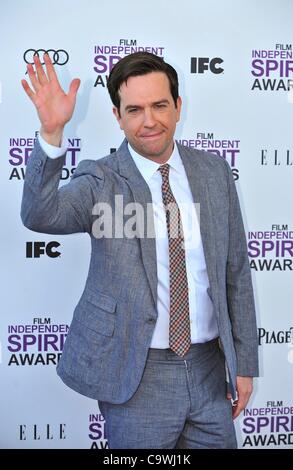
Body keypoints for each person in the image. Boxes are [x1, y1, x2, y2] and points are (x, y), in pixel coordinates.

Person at [21, 51, 259, 449]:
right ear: (118, 116)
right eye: (134, 109)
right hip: (136, 377)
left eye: (159, 105)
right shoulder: (101, 180)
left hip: (209, 371)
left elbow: (236, 274)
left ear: (178, 107)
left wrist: (244, 364)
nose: (149, 120)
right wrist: (50, 134)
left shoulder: (214, 171)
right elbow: (40, 215)